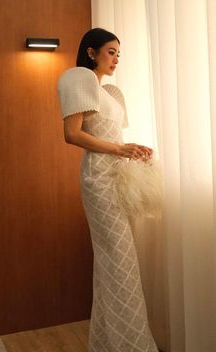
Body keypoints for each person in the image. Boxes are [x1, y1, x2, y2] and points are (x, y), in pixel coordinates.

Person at [57, 27, 159, 352]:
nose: (116, 59)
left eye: (119, 54)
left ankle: (109, 343)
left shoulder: (111, 92)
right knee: (118, 259)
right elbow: (71, 134)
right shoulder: (78, 78)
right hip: (98, 180)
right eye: (110, 51)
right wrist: (117, 150)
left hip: (116, 178)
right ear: (91, 52)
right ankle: (129, 345)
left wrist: (130, 148)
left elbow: (112, 138)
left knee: (115, 262)